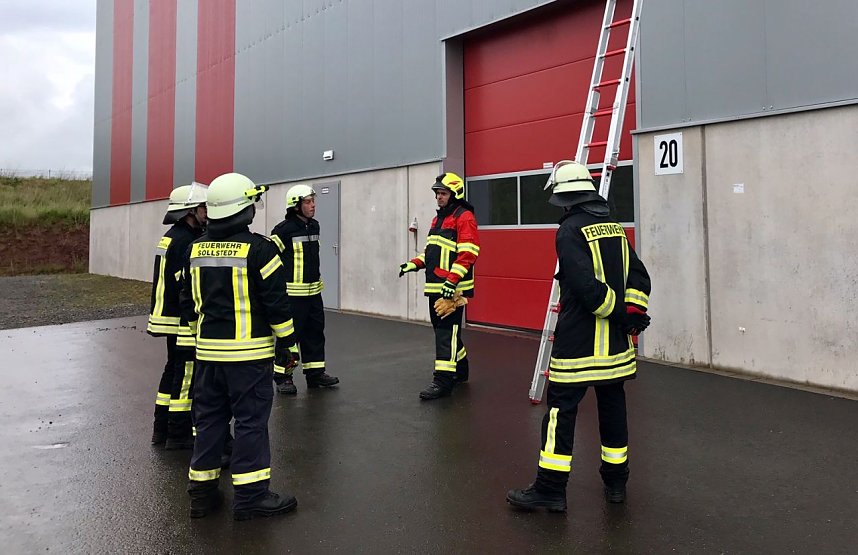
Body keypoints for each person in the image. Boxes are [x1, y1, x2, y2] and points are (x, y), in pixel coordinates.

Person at [506, 161, 651, 512]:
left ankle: (551, 488)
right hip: (616, 345)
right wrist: (631, 314)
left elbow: (586, 288)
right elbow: (640, 278)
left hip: (578, 344)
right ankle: (616, 484)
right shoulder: (615, 228)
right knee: (613, 409)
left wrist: (618, 313)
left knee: (560, 412)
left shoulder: (569, 230)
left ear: (563, 198)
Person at [180, 172, 300, 521]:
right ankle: (250, 497)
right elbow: (277, 304)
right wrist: (288, 345)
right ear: (242, 209)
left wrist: (201, 336)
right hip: (248, 358)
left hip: (208, 356)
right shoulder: (261, 249)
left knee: (210, 422)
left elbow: (187, 301)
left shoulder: (194, 249)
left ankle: (202, 495)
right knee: (250, 423)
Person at [398, 172, 480, 400]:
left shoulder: (464, 217)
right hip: (435, 287)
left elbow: (468, 253)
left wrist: (452, 282)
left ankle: (443, 381)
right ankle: (461, 369)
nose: (439, 198)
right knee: (444, 332)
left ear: (455, 194)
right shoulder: (439, 219)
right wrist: (412, 264)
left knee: (445, 334)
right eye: (437, 194)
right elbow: (431, 252)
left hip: (452, 290)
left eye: (443, 193)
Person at [147, 182, 207, 450]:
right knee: (185, 376)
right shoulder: (185, 240)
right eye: (205, 207)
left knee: (172, 372)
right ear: (191, 211)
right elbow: (186, 284)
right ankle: (178, 433)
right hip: (180, 318)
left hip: (167, 314)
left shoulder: (172, 235)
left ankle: (161, 429)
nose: (209, 212)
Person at [270, 184, 339, 394]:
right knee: (289, 339)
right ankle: (284, 377)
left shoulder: (314, 226)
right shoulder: (283, 231)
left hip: (314, 294)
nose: (313, 206)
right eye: (308, 202)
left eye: (313, 201)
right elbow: (271, 258)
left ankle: (315, 374)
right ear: (296, 206)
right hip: (293, 296)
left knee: (315, 334)